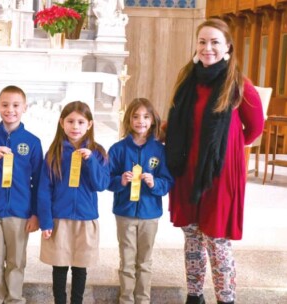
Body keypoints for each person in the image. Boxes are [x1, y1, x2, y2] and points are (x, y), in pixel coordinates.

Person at [164, 19, 264, 304]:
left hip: (218, 173)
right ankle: (194, 296)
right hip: (187, 169)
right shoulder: (187, 79)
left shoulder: (238, 84)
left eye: (215, 42)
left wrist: (227, 147)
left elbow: (255, 127)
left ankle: (226, 298)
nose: (208, 48)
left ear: (227, 46)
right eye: (203, 42)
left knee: (217, 241)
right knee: (192, 239)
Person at [0, 85, 43, 304]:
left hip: (20, 212)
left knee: (16, 261)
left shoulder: (32, 142)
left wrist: (35, 214)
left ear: (24, 108)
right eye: (5, 105)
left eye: (15, 105)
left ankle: (14, 299)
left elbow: (39, 181)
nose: (9, 109)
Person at [37, 101, 110, 304]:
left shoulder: (98, 152)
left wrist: (91, 162)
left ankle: (77, 301)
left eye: (80, 121)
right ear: (62, 123)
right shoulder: (54, 153)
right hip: (59, 219)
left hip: (85, 219)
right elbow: (44, 189)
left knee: (80, 267)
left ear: (90, 124)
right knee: (59, 267)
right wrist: (46, 221)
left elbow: (101, 184)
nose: (75, 126)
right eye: (70, 121)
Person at [107, 98, 174, 304]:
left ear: (153, 120)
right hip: (125, 213)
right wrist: (121, 180)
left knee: (144, 261)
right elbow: (107, 181)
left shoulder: (160, 151)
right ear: (128, 119)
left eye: (145, 116)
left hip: (149, 214)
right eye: (135, 116)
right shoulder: (117, 149)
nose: (140, 121)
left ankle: (143, 299)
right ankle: (126, 299)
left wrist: (155, 183)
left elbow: (167, 182)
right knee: (127, 260)